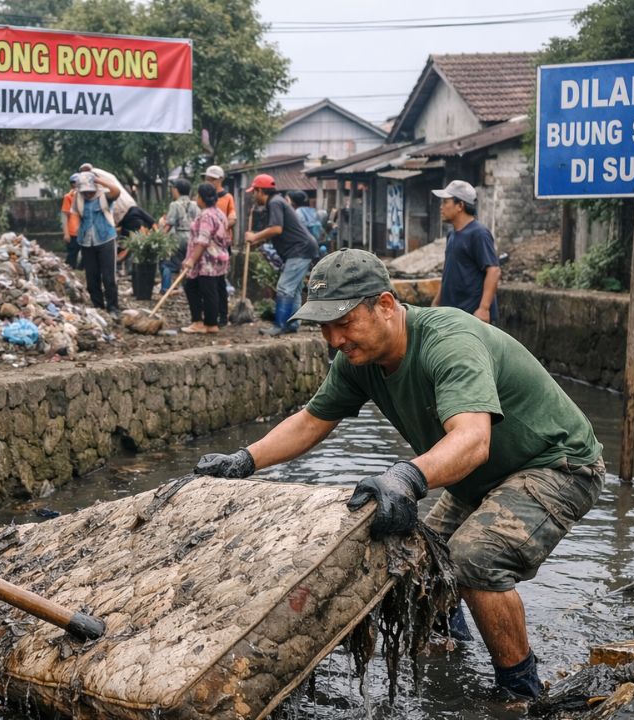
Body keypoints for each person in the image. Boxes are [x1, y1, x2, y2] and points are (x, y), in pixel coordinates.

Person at [194, 248, 604, 700]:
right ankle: (453, 644)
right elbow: (311, 421)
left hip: (556, 464)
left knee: (474, 559)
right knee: (416, 559)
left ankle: (521, 692)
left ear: (385, 305)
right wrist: (244, 460)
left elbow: (473, 440)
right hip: (480, 478)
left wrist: (406, 477)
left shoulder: (449, 341)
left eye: (343, 322)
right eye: (324, 327)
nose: (334, 339)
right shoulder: (359, 361)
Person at [243, 174, 319, 335]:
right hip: (303, 248)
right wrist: (259, 240)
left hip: (300, 249)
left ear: (260, 191)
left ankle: (280, 325)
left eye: (254, 192)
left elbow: (276, 229)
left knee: (284, 287)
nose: (253, 196)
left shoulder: (275, 202)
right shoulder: (277, 202)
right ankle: (292, 324)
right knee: (294, 289)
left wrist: (254, 237)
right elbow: (278, 231)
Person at [432, 180, 500, 324]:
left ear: (460, 206)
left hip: (472, 316)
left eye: (445, 202)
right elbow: (448, 273)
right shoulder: (452, 235)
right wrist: (437, 302)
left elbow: (493, 271)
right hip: (453, 315)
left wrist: (483, 309)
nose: (441, 207)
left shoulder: (479, 234)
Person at [181, 183, 230, 334]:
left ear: (201, 198)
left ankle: (208, 324)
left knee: (204, 290)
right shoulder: (219, 213)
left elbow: (203, 240)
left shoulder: (206, 215)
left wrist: (191, 260)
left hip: (207, 260)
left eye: (198, 195)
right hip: (218, 258)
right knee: (202, 288)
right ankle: (203, 322)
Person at [71, 172, 121, 314]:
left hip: (106, 239)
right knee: (91, 277)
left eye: (90, 191)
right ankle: (98, 306)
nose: (87, 194)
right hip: (86, 242)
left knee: (109, 276)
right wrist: (75, 231)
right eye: (84, 192)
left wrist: (99, 180)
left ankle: (112, 307)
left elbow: (116, 191)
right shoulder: (78, 199)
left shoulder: (104, 196)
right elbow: (74, 215)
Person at [204, 165, 237, 325]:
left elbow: (232, 217)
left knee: (219, 280)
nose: (209, 181)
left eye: (213, 179)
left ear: (220, 180)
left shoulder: (227, 197)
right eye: (208, 179)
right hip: (205, 243)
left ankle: (222, 316)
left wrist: (219, 227)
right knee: (207, 281)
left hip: (221, 244)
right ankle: (210, 314)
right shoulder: (203, 195)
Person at [160, 178, 199, 293]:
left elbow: (169, 224)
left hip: (178, 238)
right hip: (192, 237)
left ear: (176, 190)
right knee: (189, 263)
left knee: (168, 264)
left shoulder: (174, 204)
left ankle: (165, 288)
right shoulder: (195, 204)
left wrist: (159, 238)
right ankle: (190, 289)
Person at [61, 174, 82, 269]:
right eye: (73, 183)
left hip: (84, 230)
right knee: (72, 253)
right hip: (73, 231)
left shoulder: (87, 195)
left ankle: (82, 269)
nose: (75, 185)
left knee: (87, 253)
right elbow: (65, 215)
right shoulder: (68, 197)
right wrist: (66, 233)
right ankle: (69, 269)